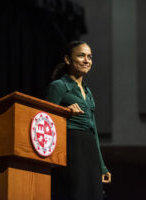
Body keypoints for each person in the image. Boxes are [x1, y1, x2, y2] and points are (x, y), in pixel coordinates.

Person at [45, 41, 111, 200]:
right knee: (76, 194)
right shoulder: (58, 86)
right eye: (81, 55)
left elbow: (93, 130)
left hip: (90, 151)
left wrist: (102, 166)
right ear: (68, 59)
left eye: (89, 56)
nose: (87, 60)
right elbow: (45, 120)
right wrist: (64, 113)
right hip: (71, 148)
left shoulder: (88, 92)